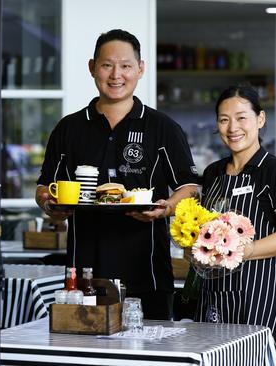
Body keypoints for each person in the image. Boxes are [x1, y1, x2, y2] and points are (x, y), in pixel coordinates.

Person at [35, 29, 198, 320]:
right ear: (92, 68)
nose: (116, 75)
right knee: (83, 354)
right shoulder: (69, 128)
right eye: (107, 65)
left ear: (141, 69)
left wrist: (166, 209)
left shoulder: (162, 128)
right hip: (84, 274)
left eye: (125, 66)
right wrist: (51, 206)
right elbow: (44, 187)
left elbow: (189, 186)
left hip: (147, 270)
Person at [196, 85, 276, 365]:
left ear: (260, 119)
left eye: (242, 117)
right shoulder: (212, 173)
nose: (233, 127)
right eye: (224, 119)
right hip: (214, 295)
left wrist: (242, 251)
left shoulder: (275, 170)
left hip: (260, 297)